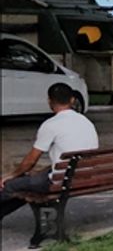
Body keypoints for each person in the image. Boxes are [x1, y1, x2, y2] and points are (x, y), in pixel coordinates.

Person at [1, 84, 99, 219]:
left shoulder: (51, 124)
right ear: (72, 100)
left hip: (61, 181)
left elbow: (30, 161)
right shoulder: (86, 122)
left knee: (9, 185)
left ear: (49, 101)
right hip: (84, 175)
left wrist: (11, 175)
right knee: (27, 182)